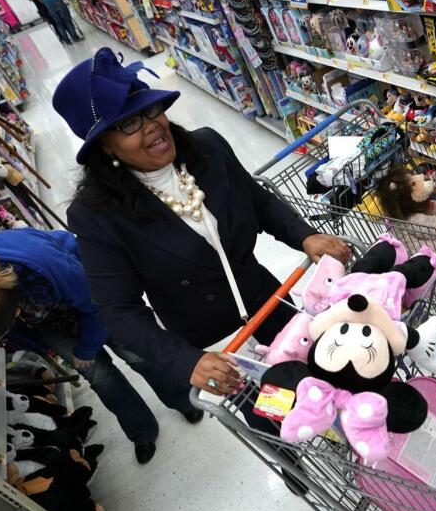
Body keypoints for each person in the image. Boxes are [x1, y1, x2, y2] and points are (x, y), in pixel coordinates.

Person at [51, 49, 350, 480]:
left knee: (321, 376)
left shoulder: (207, 147)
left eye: (149, 109)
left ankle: (358, 440)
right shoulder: (97, 215)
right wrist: (186, 361)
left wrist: (303, 234)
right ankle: (300, 471)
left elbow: (258, 200)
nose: (152, 124)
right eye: (129, 123)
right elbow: (119, 310)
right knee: (274, 413)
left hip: (270, 305)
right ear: (103, 146)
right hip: (218, 347)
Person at [0, 229, 201, 464]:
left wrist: (86, 349)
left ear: (16, 313)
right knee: (99, 376)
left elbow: (97, 305)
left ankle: (182, 399)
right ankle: (141, 431)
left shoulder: (44, 264)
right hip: (44, 322)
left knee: (135, 352)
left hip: (89, 293)